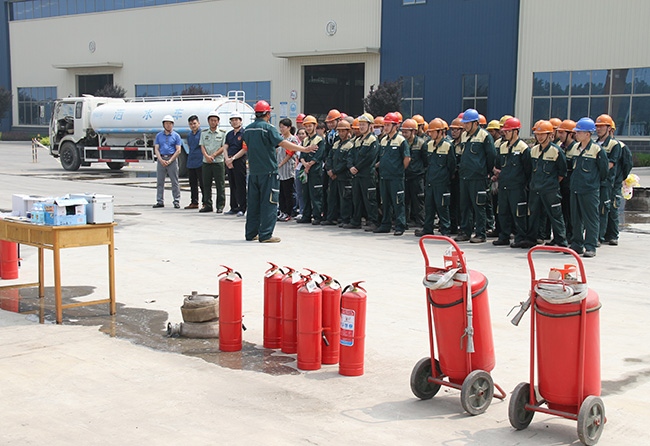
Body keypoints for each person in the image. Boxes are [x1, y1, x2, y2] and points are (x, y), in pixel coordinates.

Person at [242, 101, 316, 243]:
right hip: (268, 172)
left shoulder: (248, 129)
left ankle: (251, 233)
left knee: (253, 203)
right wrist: (303, 149)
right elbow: (282, 143)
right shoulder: (268, 129)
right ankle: (265, 234)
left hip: (253, 172)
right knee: (269, 203)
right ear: (267, 114)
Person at [524, 120, 567, 248]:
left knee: (555, 215)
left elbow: (562, 172)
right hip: (535, 188)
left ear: (550, 135)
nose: (540, 137)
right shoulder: (534, 150)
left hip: (550, 190)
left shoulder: (556, 151)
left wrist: (551, 183)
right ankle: (532, 239)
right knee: (533, 214)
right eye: (538, 134)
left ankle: (561, 241)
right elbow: (530, 169)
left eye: (543, 134)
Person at [455, 108, 496, 243]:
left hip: (478, 177)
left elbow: (491, 156)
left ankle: (480, 233)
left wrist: (486, 171)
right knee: (464, 205)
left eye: (468, 123)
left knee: (479, 205)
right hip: (465, 176)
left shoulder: (485, 136)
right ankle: (465, 231)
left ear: (476, 123)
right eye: (464, 123)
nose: (465, 126)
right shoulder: (464, 136)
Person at [570, 118, 609, 257]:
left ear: (588, 134)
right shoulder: (575, 148)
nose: (576, 134)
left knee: (591, 219)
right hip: (575, 188)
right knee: (576, 218)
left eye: (579, 132)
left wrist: (592, 183)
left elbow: (604, 171)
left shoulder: (597, 150)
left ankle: (590, 246)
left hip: (590, 190)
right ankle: (577, 244)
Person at [491, 117, 531, 248]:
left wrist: (524, 184)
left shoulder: (523, 148)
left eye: (508, 131)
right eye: (505, 131)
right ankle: (504, 236)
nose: (505, 133)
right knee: (502, 212)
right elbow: (498, 165)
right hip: (504, 185)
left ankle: (520, 237)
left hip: (517, 186)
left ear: (516, 131)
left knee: (518, 212)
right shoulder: (503, 147)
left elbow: (528, 169)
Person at [415, 118, 456, 237]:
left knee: (442, 206)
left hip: (442, 182)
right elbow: (426, 162)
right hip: (430, 181)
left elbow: (452, 165)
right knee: (429, 206)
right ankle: (428, 228)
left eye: (433, 132)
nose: (430, 134)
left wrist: (445, 177)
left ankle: (445, 230)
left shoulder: (448, 146)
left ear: (440, 132)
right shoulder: (428, 145)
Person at [374, 112, 410, 236]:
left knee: (398, 202)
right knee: (385, 202)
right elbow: (383, 158)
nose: (386, 127)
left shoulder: (401, 140)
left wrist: (399, 170)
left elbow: (407, 158)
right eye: (385, 125)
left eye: (388, 125)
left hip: (396, 177)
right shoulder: (383, 140)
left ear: (396, 126)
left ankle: (400, 225)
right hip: (384, 176)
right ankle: (385, 224)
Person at [345, 114, 379, 230]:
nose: (361, 127)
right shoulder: (358, 141)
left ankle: (373, 221)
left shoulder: (373, 140)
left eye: (364, 125)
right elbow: (350, 155)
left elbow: (369, 158)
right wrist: (350, 167)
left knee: (370, 199)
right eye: (361, 125)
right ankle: (356, 221)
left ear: (370, 126)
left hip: (367, 175)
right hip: (356, 175)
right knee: (356, 198)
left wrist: (357, 167)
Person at [594, 114, 621, 245]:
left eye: (602, 126)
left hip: (607, 182)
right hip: (594, 182)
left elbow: (611, 164)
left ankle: (601, 236)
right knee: (594, 210)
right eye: (597, 126)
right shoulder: (594, 144)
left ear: (609, 128)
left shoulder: (614, 145)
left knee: (604, 210)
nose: (598, 129)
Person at [324, 119, 354, 226]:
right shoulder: (336, 144)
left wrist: (335, 171)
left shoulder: (350, 145)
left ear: (348, 131)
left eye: (343, 131)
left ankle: (345, 219)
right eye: (339, 131)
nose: (341, 133)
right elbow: (330, 157)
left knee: (345, 198)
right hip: (333, 176)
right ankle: (331, 218)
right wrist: (329, 170)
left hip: (344, 176)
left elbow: (346, 161)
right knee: (331, 197)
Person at [297, 115, 325, 224]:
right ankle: (306, 215)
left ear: (315, 126)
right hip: (305, 170)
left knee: (316, 194)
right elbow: (302, 155)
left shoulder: (319, 140)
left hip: (315, 171)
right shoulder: (305, 140)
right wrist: (304, 164)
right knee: (305, 194)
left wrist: (309, 165)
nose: (308, 128)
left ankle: (317, 216)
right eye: (306, 126)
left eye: (310, 126)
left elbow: (319, 155)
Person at [199, 110, 227, 213]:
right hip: (206, 162)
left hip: (218, 162)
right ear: (208, 121)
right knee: (206, 184)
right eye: (211, 120)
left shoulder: (222, 133)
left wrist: (213, 155)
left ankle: (220, 205)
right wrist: (207, 156)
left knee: (220, 185)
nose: (213, 122)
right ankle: (208, 205)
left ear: (218, 121)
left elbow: (223, 147)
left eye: (215, 120)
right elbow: (202, 146)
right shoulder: (204, 133)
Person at [153, 115, 182, 208]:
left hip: (172, 160)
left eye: (170, 123)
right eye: (166, 123)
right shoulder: (159, 136)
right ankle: (160, 201)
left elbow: (178, 150)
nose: (168, 125)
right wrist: (160, 159)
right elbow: (156, 148)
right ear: (163, 125)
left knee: (175, 181)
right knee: (160, 182)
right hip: (161, 159)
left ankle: (176, 201)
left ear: (172, 124)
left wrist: (170, 160)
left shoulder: (176, 136)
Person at [557, 119, 578, 243]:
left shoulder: (576, 148)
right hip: (562, 185)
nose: (559, 135)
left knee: (571, 213)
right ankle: (564, 235)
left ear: (570, 134)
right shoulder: (561, 147)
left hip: (571, 186)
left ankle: (571, 235)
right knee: (563, 212)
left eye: (562, 133)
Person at [401, 118, 425, 228]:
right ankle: (405, 222)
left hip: (417, 176)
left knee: (418, 201)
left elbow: (425, 160)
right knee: (404, 200)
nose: (404, 134)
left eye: (406, 132)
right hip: (405, 175)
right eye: (403, 132)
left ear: (413, 131)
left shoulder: (421, 143)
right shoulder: (402, 142)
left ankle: (420, 223)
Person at [223, 111, 247, 216]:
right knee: (232, 185)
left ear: (240, 121)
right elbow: (225, 147)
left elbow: (244, 149)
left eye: (236, 120)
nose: (234, 122)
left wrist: (232, 159)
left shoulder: (244, 133)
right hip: (229, 161)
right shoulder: (229, 134)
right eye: (232, 120)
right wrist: (227, 159)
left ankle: (242, 207)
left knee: (240, 184)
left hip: (239, 161)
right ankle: (233, 207)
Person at [277, 118, 299, 222]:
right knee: (280, 193)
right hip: (280, 171)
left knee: (288, 193)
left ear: (289, 127)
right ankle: (282, 211)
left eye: (283, 127)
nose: (281, 129)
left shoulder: (293, 139)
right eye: (280, 127)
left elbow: (290, 154)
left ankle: (288, 212)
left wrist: (281, 164)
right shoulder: (280, 139)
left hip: (287, 169)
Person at [322, 109, 342, 224]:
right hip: (329, 168)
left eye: (332, 122)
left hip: (338, 170)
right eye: (328, 122)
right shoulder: (329, 135)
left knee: (339, 195)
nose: (330, 124)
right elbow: (327, 152)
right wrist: (328, 167)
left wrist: (334, 170)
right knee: (329, 193)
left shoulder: (341, 135)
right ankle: (329, 216)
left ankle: (338, 216)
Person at [448, 117, 464, 234]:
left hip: (461, 178)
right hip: (451, 178)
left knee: (461, 203)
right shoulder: (451, 145)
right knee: (451, 203)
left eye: (456, 130)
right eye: (452, 130)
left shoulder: (464, 145)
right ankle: (452, 226)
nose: (453, 132)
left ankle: (462, 226)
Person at [185, 115, 204, 209]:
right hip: (191, 161)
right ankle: (194, 202)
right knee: (193, 184)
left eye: (194, 123)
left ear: (198, 123)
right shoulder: (189, 135)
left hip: (200, 161)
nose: (193, 125)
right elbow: (189, 147)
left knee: (203, 184)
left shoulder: (202, 134)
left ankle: (205, 202)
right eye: (191, 124)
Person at [294, 127, 308, 217]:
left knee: (307, 192)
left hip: (307, 169)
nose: (301, 135)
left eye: (303, 134)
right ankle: (301, 211)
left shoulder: (309, 144)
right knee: (299, 192)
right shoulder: (298, 145)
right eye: (299, 134)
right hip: (299, 169)